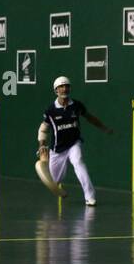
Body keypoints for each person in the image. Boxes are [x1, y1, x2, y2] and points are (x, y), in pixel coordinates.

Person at [38, 76, 113, 206]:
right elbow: (43, 130)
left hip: (74, 143)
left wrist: (104, 128)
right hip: (57, 149)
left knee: (78, 162)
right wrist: (42, 146)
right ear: (56, 90)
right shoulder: (51, 110)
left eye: (66, 86)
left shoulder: (76, 106)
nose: (64, 88)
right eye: (61, 87)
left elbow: (90, 117)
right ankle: (58, 185)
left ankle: (90, 197)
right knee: (54, 180)